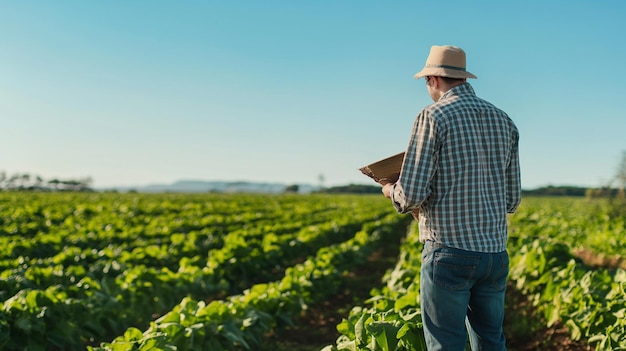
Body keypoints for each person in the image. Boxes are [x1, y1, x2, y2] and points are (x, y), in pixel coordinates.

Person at [382, 45, 521, 350]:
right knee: (491, 340)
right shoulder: (504, 120)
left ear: (433, 79)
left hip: (450, 252)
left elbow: (412, 194)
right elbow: (511, 200)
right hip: (495, 254)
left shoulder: (432, 116)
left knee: (446, 342)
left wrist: (391, 189)